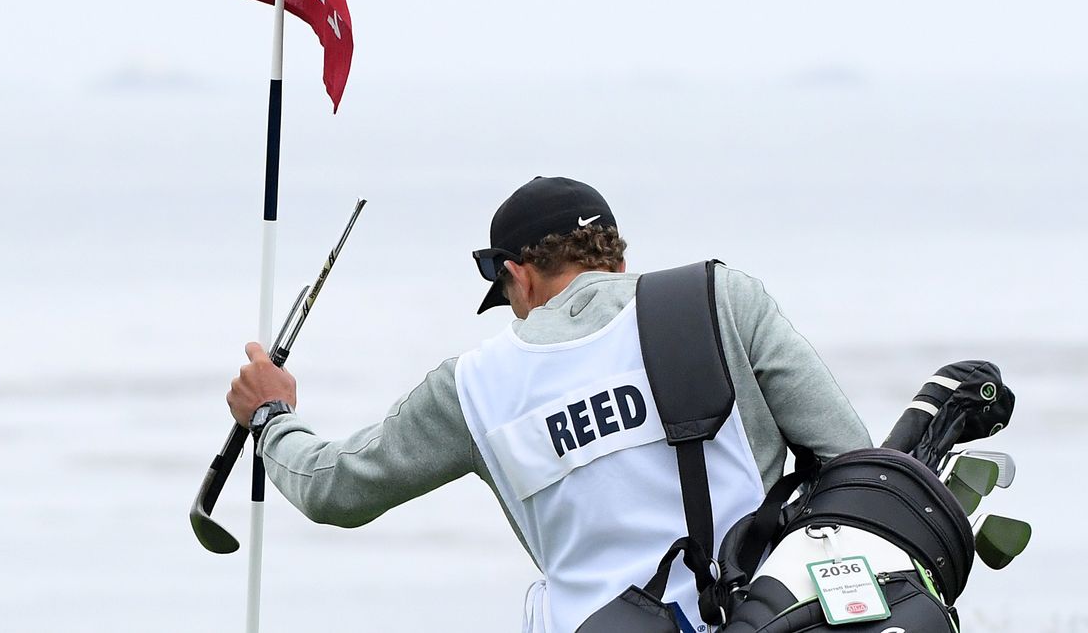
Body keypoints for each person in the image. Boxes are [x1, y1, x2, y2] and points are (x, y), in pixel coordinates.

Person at [227, 176, 871, 633]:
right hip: (773, 620)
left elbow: (336, 489)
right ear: (617, 256)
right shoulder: (721, 300)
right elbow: (855, 461)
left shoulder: (475, 386)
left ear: (519, 274)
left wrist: (273, 418)